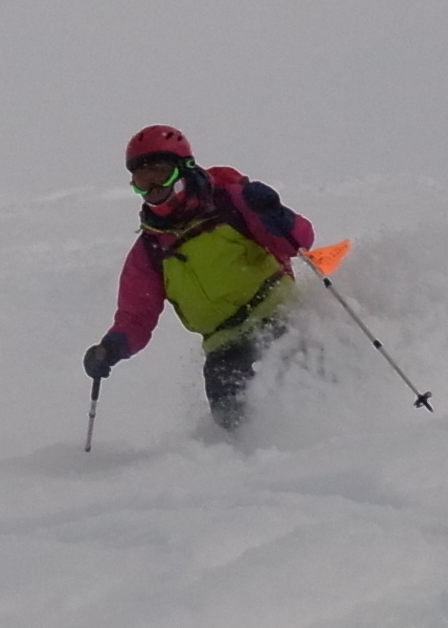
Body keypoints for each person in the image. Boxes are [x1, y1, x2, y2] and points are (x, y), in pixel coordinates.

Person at [83, 125, 315, 431]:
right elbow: (136, 317)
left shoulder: (232, 203)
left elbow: (298, 242)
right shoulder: (150, 251)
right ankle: (249, 468)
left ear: (183, 169)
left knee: (303, 388)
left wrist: (276, 214)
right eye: (142, 180)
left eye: (160, 174)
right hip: (224, 345)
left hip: (280, 316)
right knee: (235, 423)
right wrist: (111, 349)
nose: (153, 188)